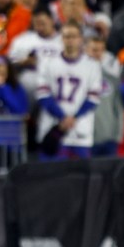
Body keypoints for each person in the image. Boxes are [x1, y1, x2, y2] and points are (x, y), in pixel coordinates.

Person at [35, 21, 102, 159]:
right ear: (61, 38)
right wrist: (63, 117)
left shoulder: (92, 65)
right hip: (53, 128)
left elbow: (93, 98)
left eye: (73, 36)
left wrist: (73, 118)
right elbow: (43, 95)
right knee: (49, 178)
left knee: (81, 179)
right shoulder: (47, 63)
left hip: (80, 132)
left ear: (81, 39)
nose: (70, 40)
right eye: (66, 36)